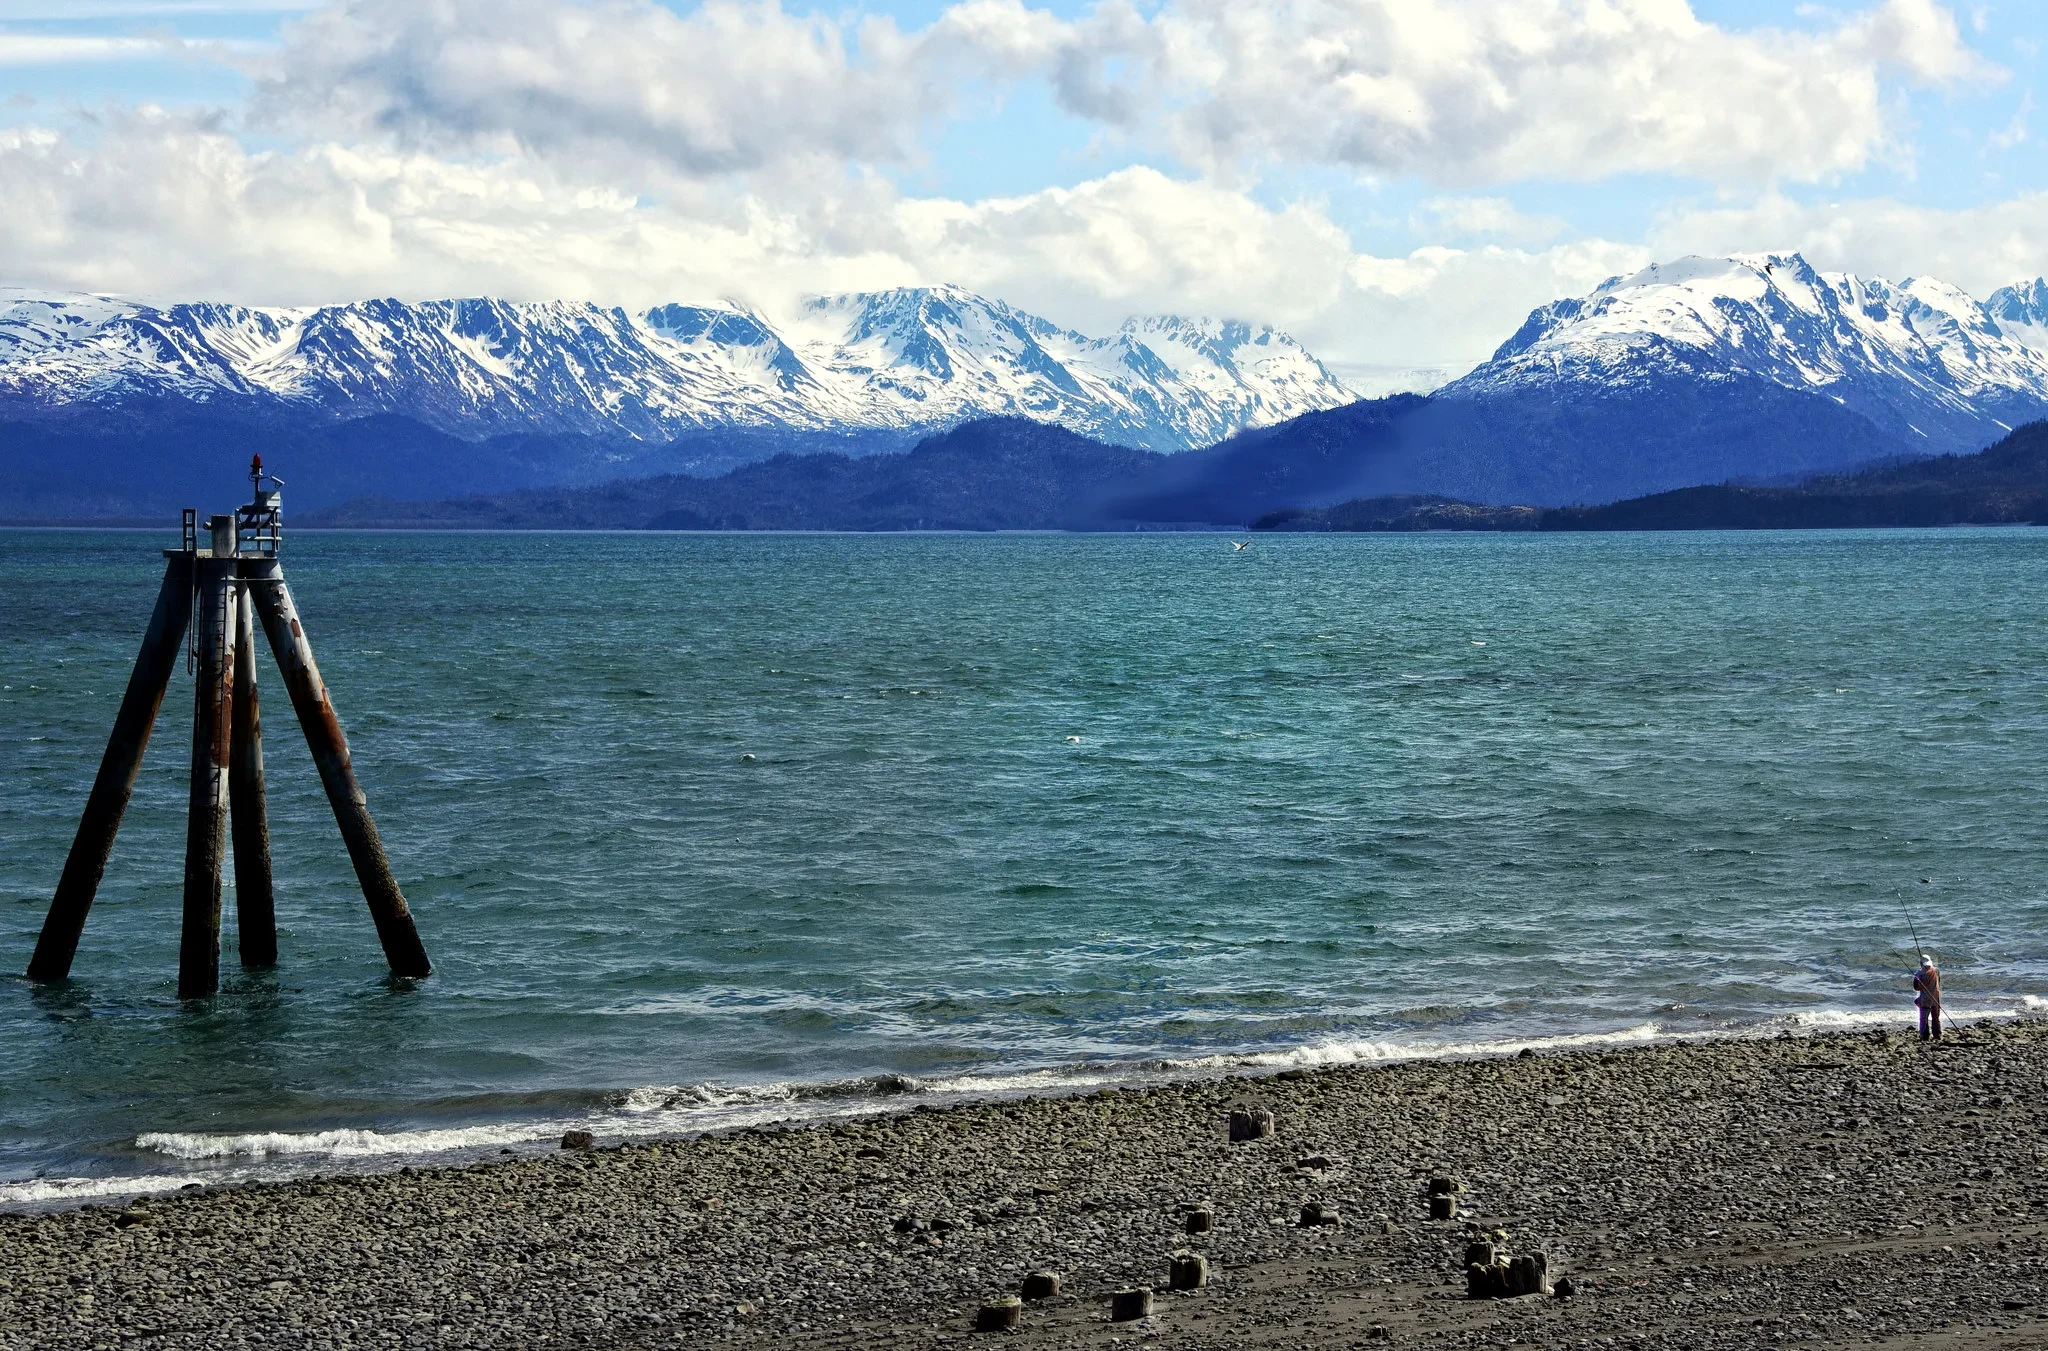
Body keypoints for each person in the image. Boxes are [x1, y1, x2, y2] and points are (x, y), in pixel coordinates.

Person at [1912, 955, 1942, 1041]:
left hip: (1925, 1000)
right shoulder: (1936, 971)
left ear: (1921, 963)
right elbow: (1938, 983)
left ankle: (1925, 1036)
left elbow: (1916, 988)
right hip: (1936, 998)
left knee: (1923, 1019)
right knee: (1936, 1018)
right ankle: (1937, 1035)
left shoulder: (1919, 974)